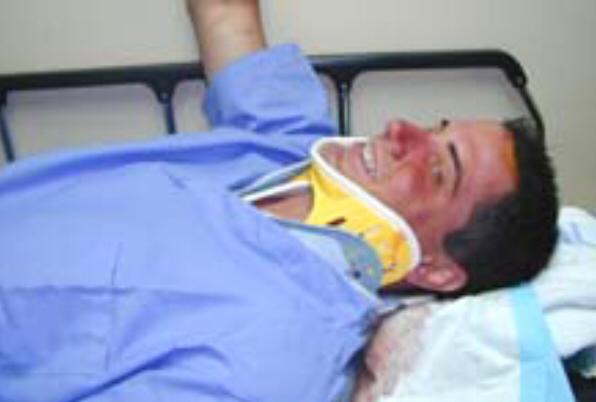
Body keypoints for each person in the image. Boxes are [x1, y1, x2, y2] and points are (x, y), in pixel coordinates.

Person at [0, 1, 558, 401]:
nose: (399, 129)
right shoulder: (291, 139)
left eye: (438, 168)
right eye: (434, 127)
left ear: (436, 271)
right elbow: (226, 15)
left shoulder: (270, 365)